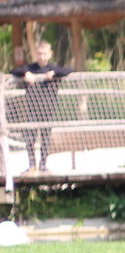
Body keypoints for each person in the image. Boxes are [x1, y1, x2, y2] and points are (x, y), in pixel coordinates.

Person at [9, 37, 72, 173]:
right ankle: (32, 165)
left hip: (48, 109)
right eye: (39, 53)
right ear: (36, 54)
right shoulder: (31, 68)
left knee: (45, 138)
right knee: (30, 137)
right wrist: (26, 74)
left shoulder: (53, 68)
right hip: (32, 109)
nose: (41, 56)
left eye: (44, 53)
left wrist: (53, 74)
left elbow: (68, 70)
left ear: (50, 54)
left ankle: (43, 165)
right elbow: (14, 71)